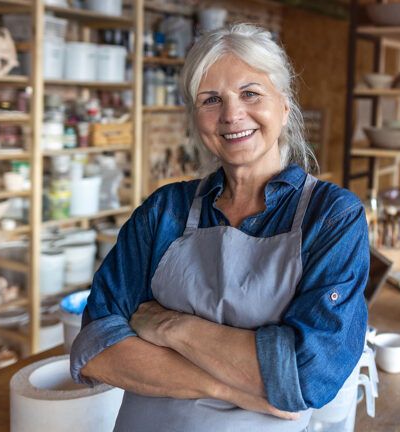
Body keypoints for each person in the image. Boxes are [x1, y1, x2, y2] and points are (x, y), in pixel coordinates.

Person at [70, 23, 370, 432]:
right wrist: (231, 387)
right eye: (211, 100)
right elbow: (95, 348)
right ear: (197, 118)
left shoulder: (332, 217)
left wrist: (171, 326)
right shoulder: (164, 211)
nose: (232, 115)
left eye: (250, 94)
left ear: (283, 106)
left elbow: (305, 376)